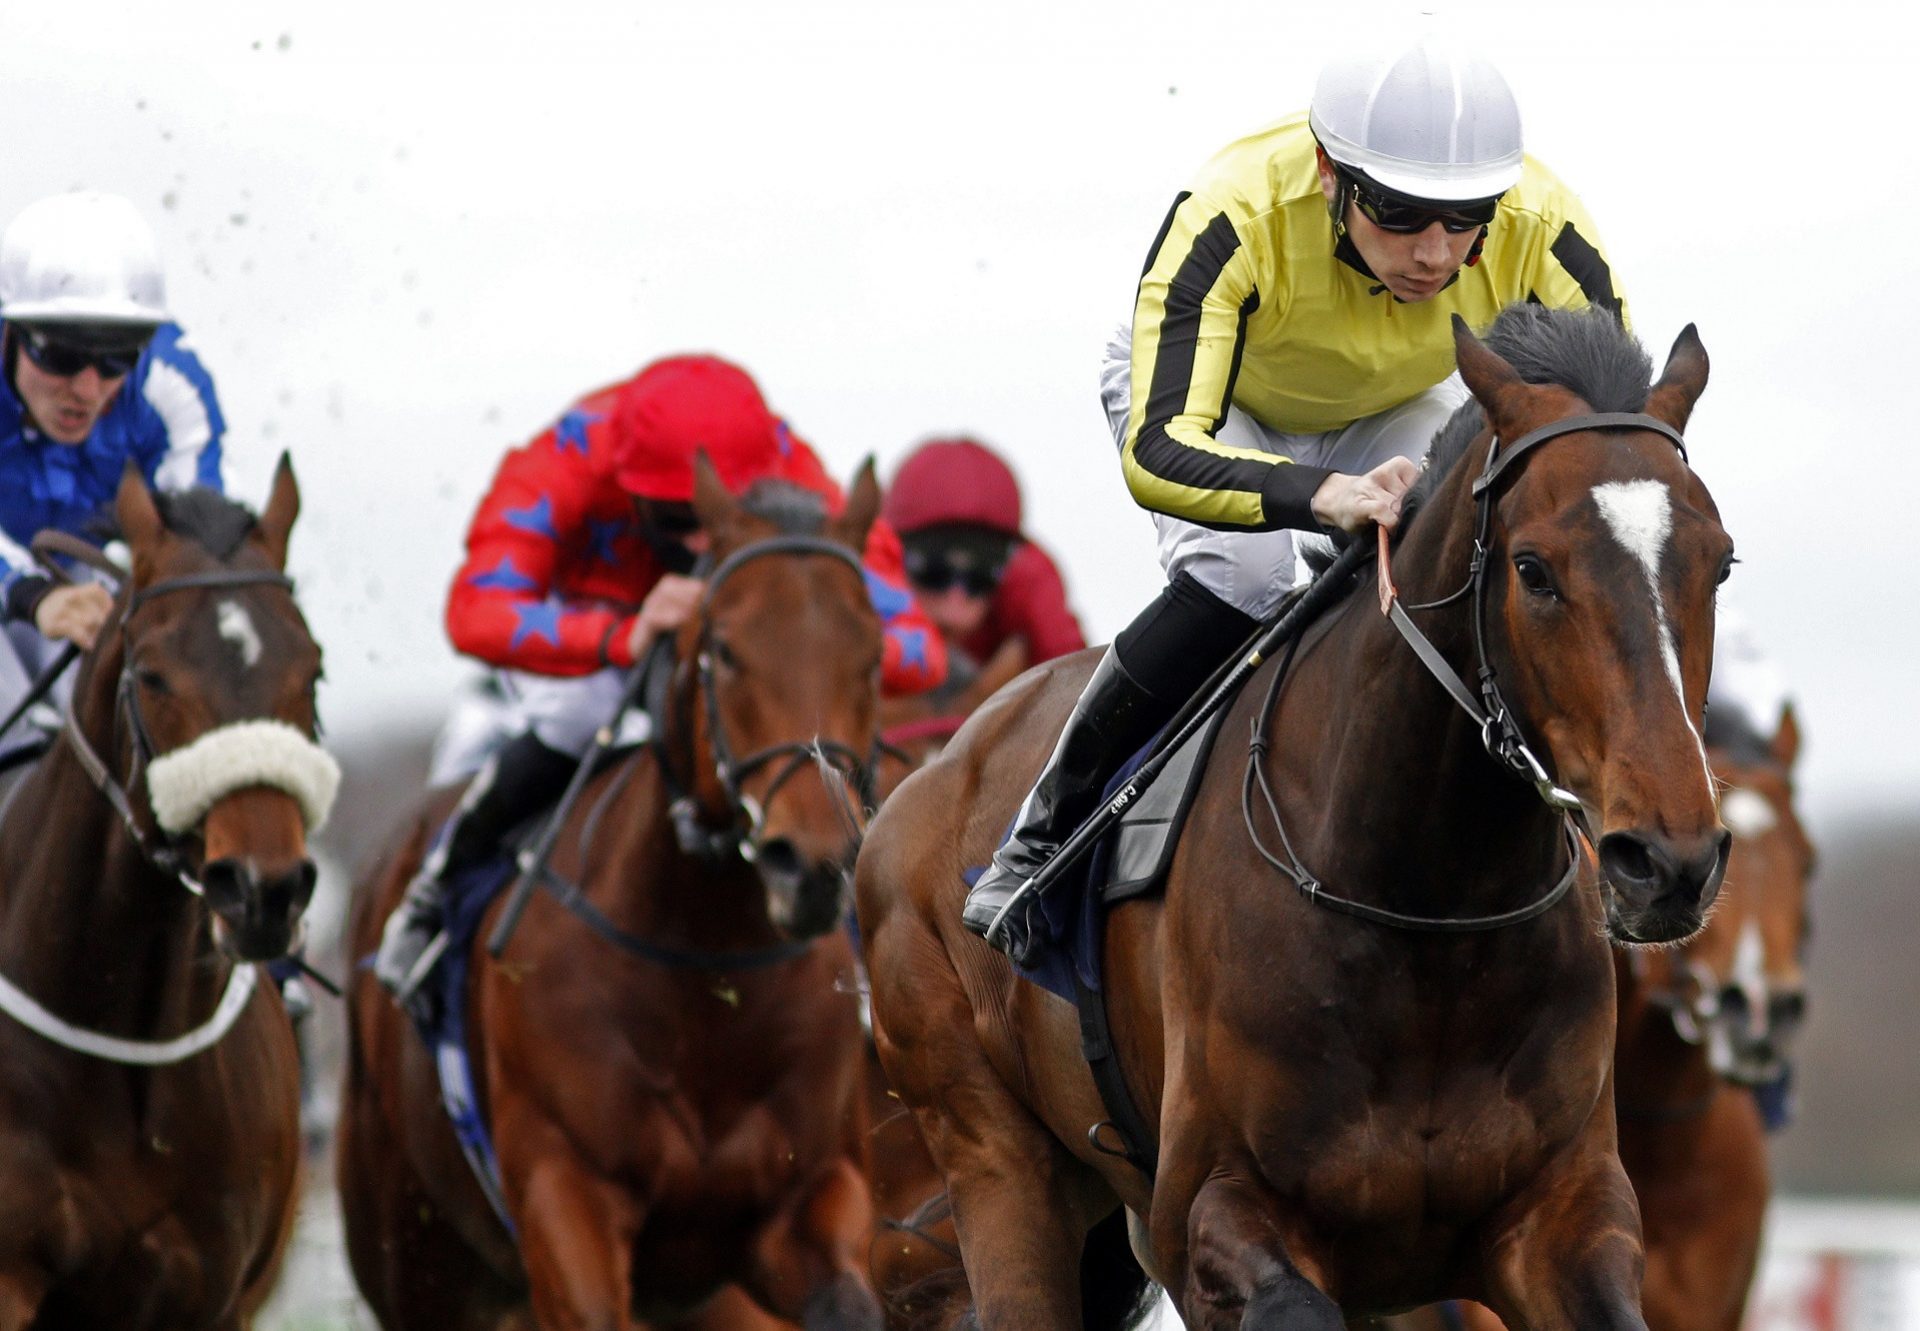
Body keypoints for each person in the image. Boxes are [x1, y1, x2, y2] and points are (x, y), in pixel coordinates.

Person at [963, 37, 1628, 959]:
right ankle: (1041, 836)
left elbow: (1609, 444)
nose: (1434, 255)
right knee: (1246, 571)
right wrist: (1319, 493)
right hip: (1215, 403)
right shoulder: (1233, 209)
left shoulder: (1545, 224)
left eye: (1465, 219)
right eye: (1398, 214)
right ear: (1329, 175)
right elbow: (1161, 449)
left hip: (1393, 404)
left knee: (1453, 552)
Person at [375, 353, 947, 998]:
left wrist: (793, 639)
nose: (703, 545)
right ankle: (434, 897)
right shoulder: (567, 456)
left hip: (733, 654)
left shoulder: (794, 467)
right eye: (678, 521)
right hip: (596, 651)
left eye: (725, 517)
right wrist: (621, 635)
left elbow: (919, 653)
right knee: (577, 712)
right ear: (627, 483)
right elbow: (473, 613)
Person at [0, 191, 225, 763]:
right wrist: (28, 592)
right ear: (13, 331)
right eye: (62, 356)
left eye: (117, 359)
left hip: (71, 577)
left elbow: (196, 549)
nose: (88, 388)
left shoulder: (172, 388)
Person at [883, 436, 1086, 678]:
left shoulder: (1030, 584)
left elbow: (1081, 693)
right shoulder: (854, 578)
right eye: (933, 570)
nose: (954, 611)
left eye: (982, 574)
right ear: (892, 552)